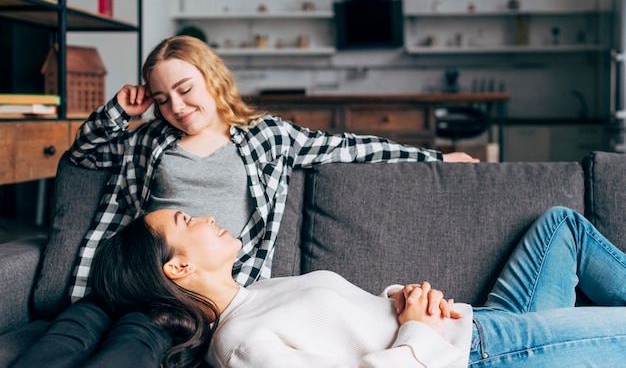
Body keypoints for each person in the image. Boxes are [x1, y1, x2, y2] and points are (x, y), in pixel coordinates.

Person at [68, 34, 475, 302]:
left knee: (142, 337)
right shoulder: (149, 139)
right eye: (162, 98)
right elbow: (84, 156)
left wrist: (435, 158)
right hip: (143, 274)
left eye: (185, 89)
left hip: (212, 288)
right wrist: (118, 112)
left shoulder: (266, 136)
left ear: (212, 79)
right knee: (81, 327)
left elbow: (350, 149)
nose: (176, 106)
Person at [70, 205, 625, 368]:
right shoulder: (240, 346)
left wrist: (404, 300)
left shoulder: (261, 289)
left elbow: (350, 324)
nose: (204, 219)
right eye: (185, 223)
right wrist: (419, 332)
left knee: (561, 225)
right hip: (484, 354)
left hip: (473, 320)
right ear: (177, 269)